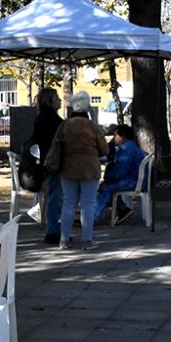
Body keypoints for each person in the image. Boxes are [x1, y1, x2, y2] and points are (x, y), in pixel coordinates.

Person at [57, 91, 108, 250]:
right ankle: (87, 240)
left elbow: (57, 146)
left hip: (68, 167)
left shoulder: (64, 125)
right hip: (89, 168)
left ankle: (64, 240)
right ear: (87, 106)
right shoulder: (92, 126)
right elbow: (104, 148)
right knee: (88, 204)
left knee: (68, 204)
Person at [29, 88, 64, 244]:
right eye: (57, 98)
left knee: (54, 195)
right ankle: (53, 231)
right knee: (54, 196)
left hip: (47, 162)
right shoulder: (51, 120)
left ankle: (54, 227)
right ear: (50, 101)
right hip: (53, 163)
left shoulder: (42, 118)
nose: (60, 101)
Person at [94, 124, 146, 223]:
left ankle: (92, 218)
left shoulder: (126, 149)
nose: (114, 138)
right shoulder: (131, 146)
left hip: (131, 181)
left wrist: (108, 179)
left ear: (123, 136)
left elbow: (121, 170)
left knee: (106, 188)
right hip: (135, 179)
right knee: (107, 187)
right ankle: (123, 209)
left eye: (116, 135)